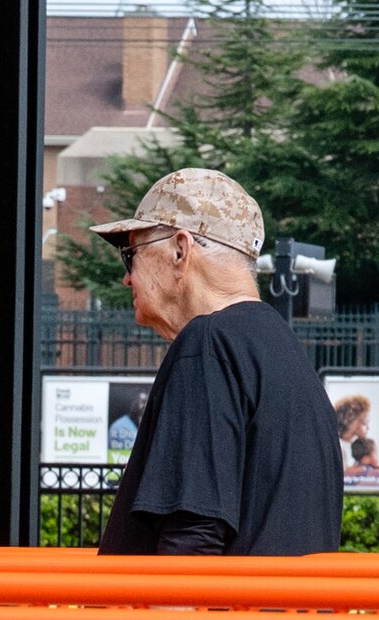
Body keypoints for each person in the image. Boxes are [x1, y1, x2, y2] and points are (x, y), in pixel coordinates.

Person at [92, 167, 342, 556]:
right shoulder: (285, 352)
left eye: (131, 255)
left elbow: (190, 541)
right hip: (285, 615)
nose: (127, 278)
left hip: (224, 617)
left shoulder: (209, 343)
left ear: (180, 249)